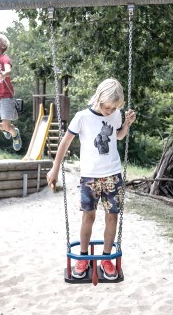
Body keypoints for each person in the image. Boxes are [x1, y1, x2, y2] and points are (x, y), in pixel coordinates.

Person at [46, 78, 136, 280]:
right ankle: (83, 257)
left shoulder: (116, 114)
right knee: (89, 216)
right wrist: (55, 168)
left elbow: (119, 136)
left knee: (112, 216)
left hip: (113, 173)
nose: (110, 111)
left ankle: (106, 259)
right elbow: (65, 143)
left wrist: (127, 124)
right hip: (89, 176)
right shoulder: (82, 117)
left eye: (114, 108)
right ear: (99, 98)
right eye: (107, 107)